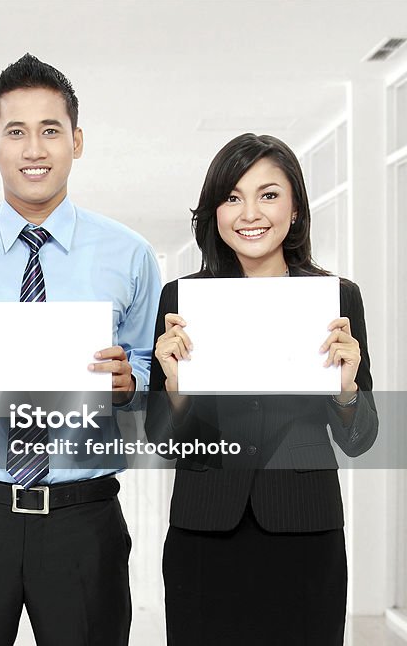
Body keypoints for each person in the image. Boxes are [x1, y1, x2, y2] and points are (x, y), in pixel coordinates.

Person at [0, 53, 161, 646]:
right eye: (15, 132)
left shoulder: (130, 254)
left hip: (84, 517)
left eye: (50, 131)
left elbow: (152, 370)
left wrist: (130, 383)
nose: (34, 149)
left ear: (76, 141)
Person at [148, 132, 378, 645]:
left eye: (269, 195)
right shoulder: (180, 297)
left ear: (295, 208)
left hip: (306, 530)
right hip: (204, 531)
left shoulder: (337, 298)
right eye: (232, 197)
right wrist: (177, 390)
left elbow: (360, 439)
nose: (250, 212)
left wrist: (345, 390)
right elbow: (162, 440)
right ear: (215, 213)